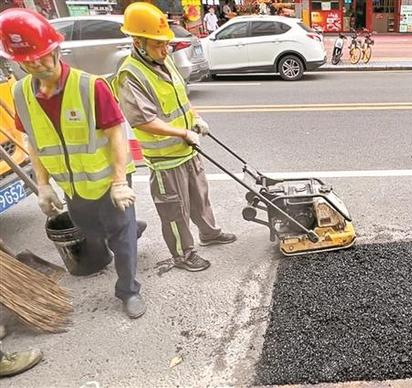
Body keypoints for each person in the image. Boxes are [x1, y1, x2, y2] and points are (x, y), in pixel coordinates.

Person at [0, 8, 146, 318]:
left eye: (40, 56)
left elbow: (116, 135)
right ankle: (130, 227)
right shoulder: (21, 92)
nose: (35, 64)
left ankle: (128, 290)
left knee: (119, 238)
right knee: (87, 227)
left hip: (109, 180)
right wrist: (42, 186)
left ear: (55, 49)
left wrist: (120, 182)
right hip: (73, 184)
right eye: (26, 60)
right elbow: (34, 143)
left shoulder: (90, 86)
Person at [114, 2, 236, 273]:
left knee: (200, 198)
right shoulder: (130, 75)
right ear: (138, 42)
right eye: (158, 44)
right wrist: (182, 132)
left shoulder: (163, 59)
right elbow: (144, 120)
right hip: (165, 159)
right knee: (174, 210)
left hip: (187, 149)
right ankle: (183, 254)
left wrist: (196, 119)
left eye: (166, 43)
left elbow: (181, 99)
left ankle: (209, 233)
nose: (165, 49)